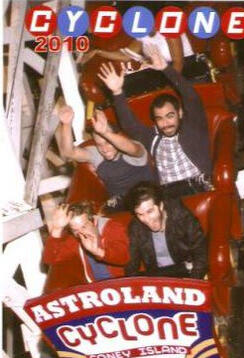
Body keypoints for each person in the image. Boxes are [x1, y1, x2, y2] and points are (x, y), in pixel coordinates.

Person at [98, 44, 213, 199]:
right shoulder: (153, 138)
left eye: (170, 116)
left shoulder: (192, 126)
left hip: (198, 187)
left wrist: (166, 69)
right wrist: (117, 92)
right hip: (169, 196)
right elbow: (130, 125)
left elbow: (191, 97)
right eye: (159, 119)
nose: (165, 123)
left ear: (179, 113)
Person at [58, 106, 156, 211]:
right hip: (121, 205)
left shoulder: (133, 148)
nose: (104, 149)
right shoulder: (97, 155)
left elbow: (131, 148)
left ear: (116, 136)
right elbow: (68, 153)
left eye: (108, 142)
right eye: (99, 144)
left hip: (148, 198)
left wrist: (105, 133)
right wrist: (66, 124)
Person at [124, 182, 207, 279]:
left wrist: (193, 281)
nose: (146, 219)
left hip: (187, 273)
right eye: (140, 214)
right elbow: (131, 266)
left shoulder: (181, 216)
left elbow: (200, 252)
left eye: (150, 211)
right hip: (158, 279)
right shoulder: (136, 228)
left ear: (161, 206)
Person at [43, 202, 130, 292]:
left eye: (84, 226)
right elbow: (49, 259)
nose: (81, 233)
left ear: (93, 221)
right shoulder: (76, 239)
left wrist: (98, 251)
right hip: (97, 288)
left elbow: (125, 258)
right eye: (75, 230)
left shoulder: (111, 227)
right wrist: (56, 229)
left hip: (122, 283)